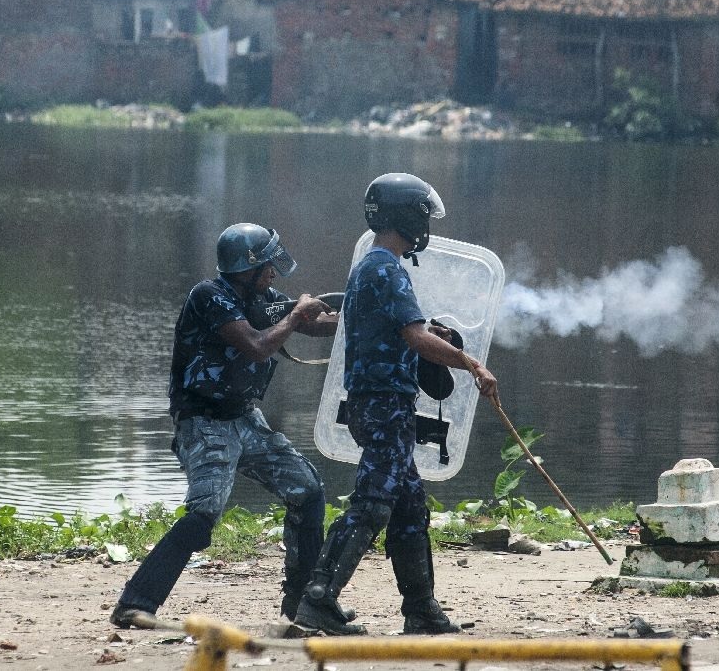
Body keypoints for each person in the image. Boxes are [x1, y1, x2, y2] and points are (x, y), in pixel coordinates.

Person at [293, 173, 498, 636]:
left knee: (408, 508)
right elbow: (415, 337)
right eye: (422, 215)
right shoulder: (386, 269)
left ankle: (421, 610)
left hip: (382, 404)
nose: (425, 224)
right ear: (407, 216)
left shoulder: (374, 266)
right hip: (385, 405)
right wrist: (472, 365)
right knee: (372, 503)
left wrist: (434, 340)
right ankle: (318, 600)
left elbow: (405, 333)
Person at [111, 222, 338, 628]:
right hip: (203, 422)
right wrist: (296, 315)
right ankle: (135, 602)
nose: (273, 273)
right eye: (267, 266)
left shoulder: (262, 296)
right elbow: (255, 346)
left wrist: (347, 315)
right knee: (203, 515)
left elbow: (310, 324)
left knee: (307, 489)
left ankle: (302, 606)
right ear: (246, 267)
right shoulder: (210, 297)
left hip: (243, 417)